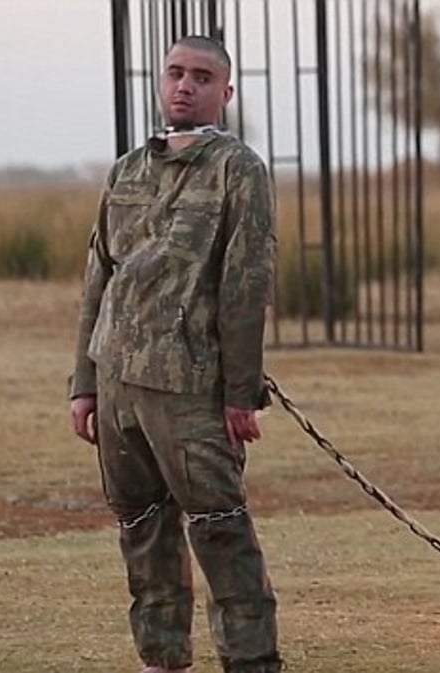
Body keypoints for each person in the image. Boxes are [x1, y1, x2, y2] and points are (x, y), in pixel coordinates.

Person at [67, 34, 281, 673]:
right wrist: (84, 382)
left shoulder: (237, 170)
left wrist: (241, 394)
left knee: (219, 527)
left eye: (202, 77)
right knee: (140, 527)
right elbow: (98, 278)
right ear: (162, 82)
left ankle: (250, 661)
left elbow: (247, 283)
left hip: (189, 384)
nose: (185, 85)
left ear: (225, 92)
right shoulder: (127, 169)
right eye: (175, 73)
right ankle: (162, 658)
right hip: (118, 384)